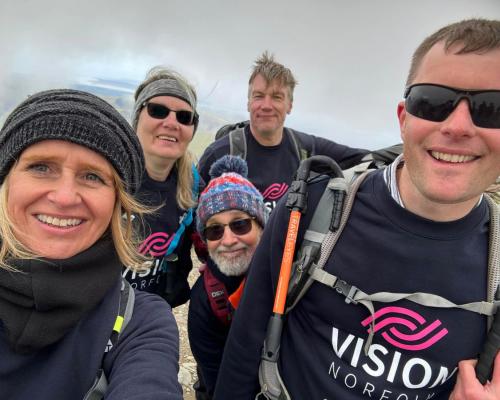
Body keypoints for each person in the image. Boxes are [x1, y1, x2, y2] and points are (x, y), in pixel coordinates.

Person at [214, 18, 500, 400]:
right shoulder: (310, 207)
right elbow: (244, 345)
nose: (459, 126)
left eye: (492, 109)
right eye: (433, 102)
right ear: (403, 118)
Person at [0, 89, 182, 399]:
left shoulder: (141, 321)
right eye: (41, 167)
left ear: (117, 203)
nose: (65, 197)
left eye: (92, 176)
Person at [198, 51, 372, 213]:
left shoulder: (305, 148)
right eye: (259, 96)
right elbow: (192, 219)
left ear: (289, 105)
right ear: (248, 102)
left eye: (276, 97)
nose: (266, 106)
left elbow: (366, 159)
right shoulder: (219, 154)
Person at [122, 67, 205, 307]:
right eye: (158, 111)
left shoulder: (193, 186)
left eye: (184, 117)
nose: (171, 123)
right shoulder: (105, 175)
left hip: (151, 314)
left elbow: (218, 241)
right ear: (137, 118)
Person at [187, 155, 267, 399]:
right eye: (215, 230)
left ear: (262, 226)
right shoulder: (206, 300)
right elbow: (217, 382)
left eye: (240, 224)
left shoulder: (292, 274)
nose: (229, 240)